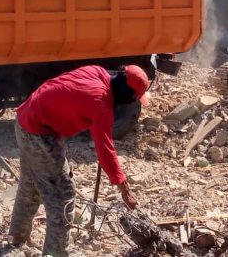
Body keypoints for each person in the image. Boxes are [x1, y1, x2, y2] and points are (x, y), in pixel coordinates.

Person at [9, 64, 149, 256]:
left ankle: (17, 237)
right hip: (38, 133)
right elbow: (106, 151)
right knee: (62, 194)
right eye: (134, 97)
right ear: (127, 93)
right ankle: (56, 252)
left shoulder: (97, 71)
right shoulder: (100, 102)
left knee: (31, 183)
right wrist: (125, 191)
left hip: (24, 120)